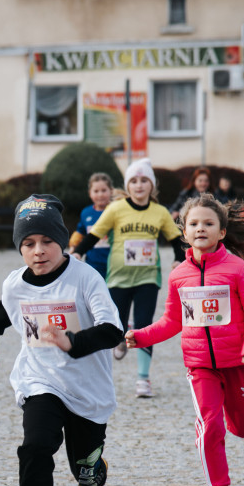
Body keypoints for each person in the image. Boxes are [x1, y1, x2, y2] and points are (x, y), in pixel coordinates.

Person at [0, 194, 123, 486]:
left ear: (63, 241)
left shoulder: (85, 277)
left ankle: (90, 476)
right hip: (40, 378)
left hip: (87, 386)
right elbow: (3, 311)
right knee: (36, 447)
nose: (38, 251)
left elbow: (113, 331)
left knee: (82, 462)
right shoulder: (15, 284)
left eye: (47, 241)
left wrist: (73, 342)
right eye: (28, 244)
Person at [125, 193, 244, 486]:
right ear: (184, 232)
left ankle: (236, 415)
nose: (200, 228)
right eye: (194, 224)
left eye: (208, 223)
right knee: (210, 426)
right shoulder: (178, 275)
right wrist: (142, 336)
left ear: (221, 232)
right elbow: (172, 322)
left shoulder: (238, 269)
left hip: (238, 362)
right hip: (199, 365)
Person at [73, 158, 184, 397]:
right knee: (116, 326)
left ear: (151, 186)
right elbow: (94, 235)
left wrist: (179, 258)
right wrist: (78, 252)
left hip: (147, 279)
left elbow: (176, 240)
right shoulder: (116, 209)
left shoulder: (160, 212)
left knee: (145, 326)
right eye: (134, 181)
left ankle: (143, 379)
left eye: (144, 180)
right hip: (118, 279)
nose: (139, 185)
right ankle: (121, 339)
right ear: (128, 185)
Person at [67, 172, 114, 279]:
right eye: (96, 191)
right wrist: (74, 246)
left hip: (113, 264)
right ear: (90, 193)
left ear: (111, 191)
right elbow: (80, 232)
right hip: (93, 264)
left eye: (104, 190)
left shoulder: (115, 211)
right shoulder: (86, 213)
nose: (100, 194)